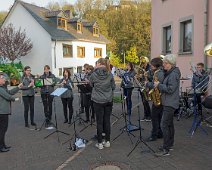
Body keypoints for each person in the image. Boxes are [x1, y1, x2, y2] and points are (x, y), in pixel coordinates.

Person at [154, 54, 181, 156]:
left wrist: (159, 85)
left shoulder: (173, 74)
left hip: (170, 103)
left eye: (165, 63)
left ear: (170, 64)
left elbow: (170, 89)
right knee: (169, 124)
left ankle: (166, 150)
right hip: (169, 101)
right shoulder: (170, 72)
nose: (163, 65)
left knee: (164, 125)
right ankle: (169, 144)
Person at [89, 58, 116, 149]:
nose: (95, 65)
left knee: (99, 122)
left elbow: (91, 85)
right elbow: (113, 87)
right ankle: (107, 141)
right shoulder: (110, 74)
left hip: (98, 101)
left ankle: (100, 143)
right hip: (108, 100)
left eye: (96, 63)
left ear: (100, 64)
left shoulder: (93, 74)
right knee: (107, 121)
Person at [0, 71, 22, 152]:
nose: (4, 79)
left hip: (4, 112)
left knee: (3, 129)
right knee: (2, 130)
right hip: (2, 112)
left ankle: (3, 145)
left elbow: (9, 92)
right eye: (2, 78)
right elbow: (8, 96)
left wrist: (18, 87)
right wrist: (14, 99)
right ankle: (1, 147)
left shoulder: (3, 87)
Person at [146, 58, 164, 141]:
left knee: (154, 118)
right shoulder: (158, 72)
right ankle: (160, 133)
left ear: (155, 65)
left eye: (151, 65)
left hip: (158, 97)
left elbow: (155, 85)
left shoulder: (159, 73)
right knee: (158, 117)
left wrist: (147, 84)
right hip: (159, 97)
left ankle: (154, 135)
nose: (150, 66)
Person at [139, 56, 151, 121]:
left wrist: (143, 75)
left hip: (147, 86)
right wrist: (139, 76)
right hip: (142, 85)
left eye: (143, 62)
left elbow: (150, 76)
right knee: (144, 102)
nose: (142, 64)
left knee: (145, 101)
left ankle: (149, 116)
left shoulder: (149, 68)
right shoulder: (142, 67)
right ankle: (146, 115)